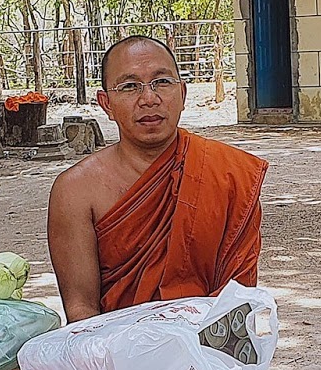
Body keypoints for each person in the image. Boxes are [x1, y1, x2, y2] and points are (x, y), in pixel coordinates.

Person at [47, 34, 267, 322]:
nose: (149, 99)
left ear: (183, 94)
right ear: (106, 103)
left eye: (162, 82)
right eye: (129, 86)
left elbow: (237, 300)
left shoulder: (228, 175)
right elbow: (82, 312)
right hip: (116, 345)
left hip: (209, 343)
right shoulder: (75, 190)